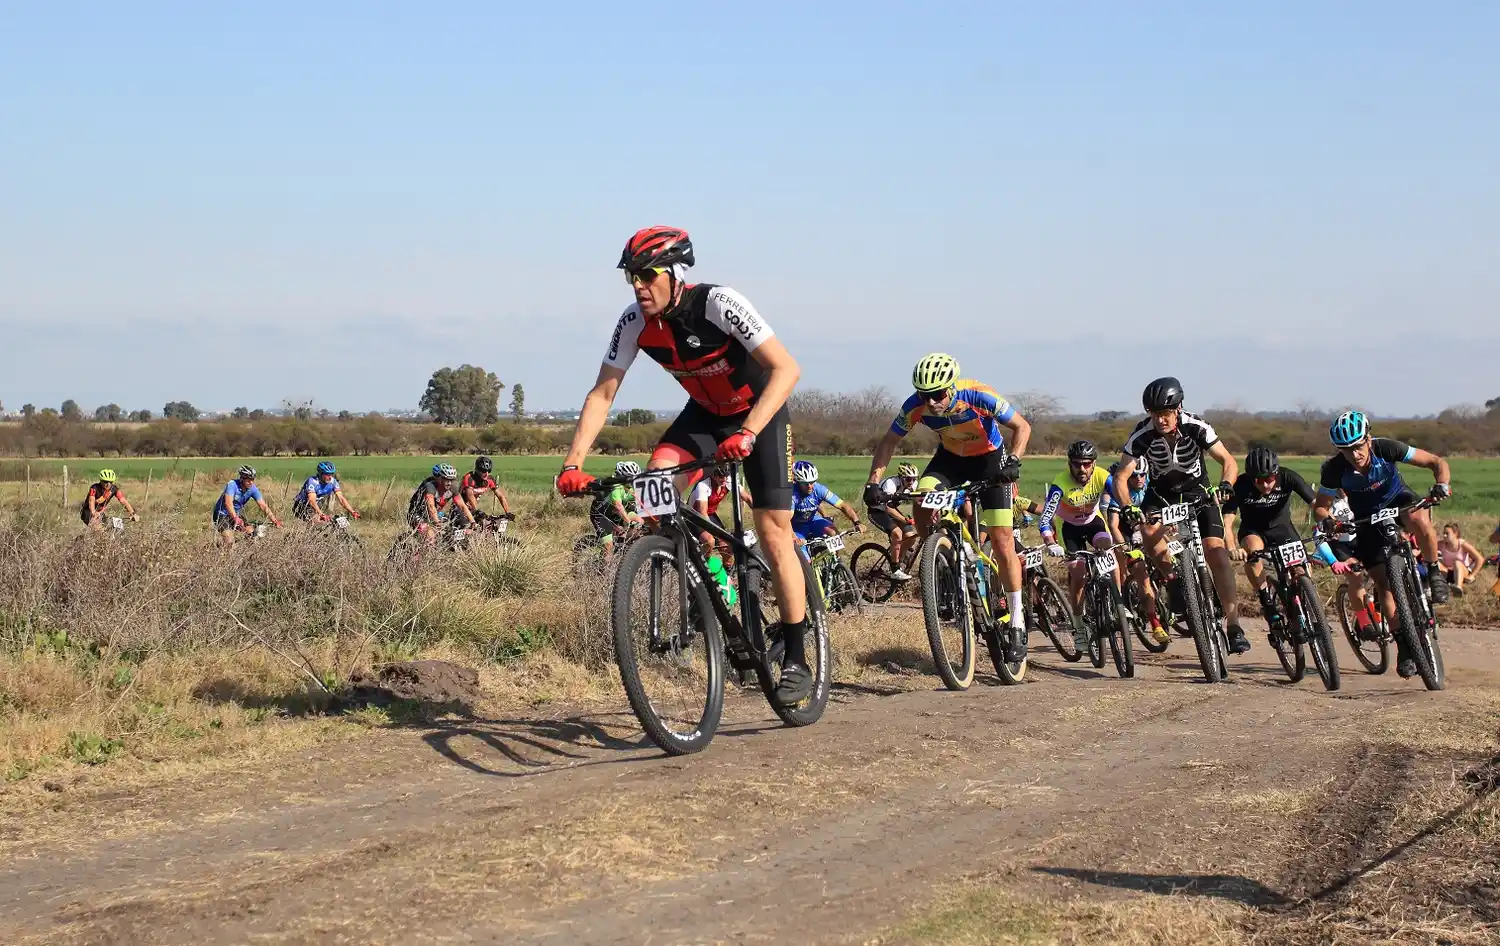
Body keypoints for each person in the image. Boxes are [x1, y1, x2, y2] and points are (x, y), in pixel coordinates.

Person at [554, 226, 814, 706]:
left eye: (646, 275)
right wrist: (573, 463)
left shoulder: (718, 303)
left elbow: (786, 369)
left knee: (774, 531)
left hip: (760, 413)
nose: (638, 285)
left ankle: (797, 654)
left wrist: (750, 431)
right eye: (631, 276)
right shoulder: (633, 322)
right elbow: (603, 393)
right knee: (657, 485)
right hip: (705, 419)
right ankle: (709, 588)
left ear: (674, 274)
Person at [866, 354, 1032, 655]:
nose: (931, 403)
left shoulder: (978, 395)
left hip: (990, 461)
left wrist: (1014, 462)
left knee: (1003, 539)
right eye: (924, 396)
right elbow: (888, 441)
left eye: (937, 395)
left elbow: (1022, 427)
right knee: (922, 497)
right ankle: (938, 553)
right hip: (951, 461)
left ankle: (1018, 620)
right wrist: (873, 482)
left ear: (951, 388)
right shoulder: (914, 406)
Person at [1112, 377, 1249, 654]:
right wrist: (1127, 505)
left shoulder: (1196, 426)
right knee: (1147, 532)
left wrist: (1225, 485)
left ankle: (1234, 626)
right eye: (1154, 414)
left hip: (1198, 492)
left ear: (1178, 408)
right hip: (1161, 495)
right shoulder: (1142, 434)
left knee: (1216, 552)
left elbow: (1229, 461)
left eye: (1165, 414)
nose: (1160, 420)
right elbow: (1121, 476)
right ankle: (1174, 580)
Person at [1311, 410, 1452, 678]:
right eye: (1345, 450)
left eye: (1357, 446)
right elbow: (1320, 507)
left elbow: (1436, 461)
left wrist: (1442, 484)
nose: (1354, 454)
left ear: (1368, 438)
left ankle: (1434, 573)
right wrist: (1327, 519)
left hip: (1398, 500)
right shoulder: (1334, 469)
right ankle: (1403, 646)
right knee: (1384, 584)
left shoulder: (1386, 448)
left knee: (1419, 518)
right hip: (1366, 519)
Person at [1222, 446, 1318, 644]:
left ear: (1276, 473)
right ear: (1251, 477)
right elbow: (1228, 521)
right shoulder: (1240, 485)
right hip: (1254, 531)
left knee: (1302, 571)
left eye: (1270, 479)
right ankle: (1266, 598)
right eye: (1259, 480)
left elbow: (1315, 503)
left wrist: (1329, 520)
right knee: (1253, 551)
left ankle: (1309, 608)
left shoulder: (1288, 477)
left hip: (1283, 530)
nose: (1266, 485)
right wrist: (1231, 546)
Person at [1038, 440, 1117, 652]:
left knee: (1106, 546)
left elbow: (1121, 497)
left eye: (1086, 464)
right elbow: (1045, 519)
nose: (1081, 468)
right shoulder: (1060, 484)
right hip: (1071, 529)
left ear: (1093, 464)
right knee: (1078, 574)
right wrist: (1050, 542)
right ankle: (1079, 625)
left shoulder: (1102, 476)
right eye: (1077, 464)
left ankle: (1114, 601)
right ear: (1069, 464)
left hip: (1094, 523)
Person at [1104, 462, 1169, 645]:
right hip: (1126, 533)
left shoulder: (1150, 485)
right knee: (1143, 576)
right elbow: (1113, 525)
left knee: (1166, 553)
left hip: (1144, 529)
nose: (1139, 479)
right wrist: (1125, 549)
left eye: (1142, 475)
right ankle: (1155, 624)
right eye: (1134, 476)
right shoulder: (1120, 492)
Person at [790, 460, 862, 554]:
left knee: (833, 533)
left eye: (812, 482)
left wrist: (857, 522)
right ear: (797, 482)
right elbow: (785, 520)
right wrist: (793, 537)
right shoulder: (792, 494)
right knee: (805, 561)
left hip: (812, 520)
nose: (809, 486)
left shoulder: (819, 489)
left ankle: (837, 562)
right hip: (796, 527)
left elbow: (842, 505)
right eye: (805, 483)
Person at [865, 462, 921, 580]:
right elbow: (888, 508)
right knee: (897, 533)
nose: (911, 482)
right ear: (901, 477)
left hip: (891, 509)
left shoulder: (913, 484)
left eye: (914, 479)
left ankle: (898, 562)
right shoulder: (890, 484)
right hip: (878, 510)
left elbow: (919, 501)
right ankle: (894, 570)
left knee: (911, 536)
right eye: (908, 479)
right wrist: (905, 519)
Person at [407, 463, 476, 545]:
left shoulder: (452, 488)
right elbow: (431, 506)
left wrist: (473, 522)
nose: (449, 483)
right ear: (439, 479)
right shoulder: (430, 487)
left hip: (435, 514)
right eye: (447, 480)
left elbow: (462, 506)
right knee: (431, 536)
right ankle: (425, 554)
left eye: (452, 480)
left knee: (455, 526)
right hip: (417, 514)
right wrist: (437, 523)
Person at [689, 464, 753, 552]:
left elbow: (748, 498)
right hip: (694, 516)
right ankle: (702, 563)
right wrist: (716, 535)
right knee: (710, 541)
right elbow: (703, 514)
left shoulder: (728, 481)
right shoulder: (703, 486)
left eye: (726, 476)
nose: (724, 479)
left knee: (728, 546)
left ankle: (726, 566)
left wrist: (762, 513)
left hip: (710, 515)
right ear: (713, 475)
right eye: (720, 476)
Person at [213, 466, 283, 546]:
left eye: (252, 480)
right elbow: (228, 503)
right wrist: (235, 518)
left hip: (236, 514)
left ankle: (245, 552)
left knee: (252, 534)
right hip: (221, 515)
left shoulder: (252, 489)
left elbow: (263, 505)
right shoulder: (232, 485)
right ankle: (223, 554)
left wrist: (275, 521)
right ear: (242, 479)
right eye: (248, 480)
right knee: (229, 541)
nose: (251, 482)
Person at [590, 460, 646, 551]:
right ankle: (605, 564)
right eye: (630, 478)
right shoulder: (615, 487)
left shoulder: (631, 487)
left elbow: (641, 501)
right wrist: (628, 522)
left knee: (639, 521)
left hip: (616, 514)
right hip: (601, 516)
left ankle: (623, 547)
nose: (633, 480)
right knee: (608, 547)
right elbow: (618, 506)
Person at [292, 461, 360, 522]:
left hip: (316, 505)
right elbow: (311, 500)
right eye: (327, 474)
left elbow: (341, 498)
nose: (330, 477)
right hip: (301, 506)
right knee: (317, 521)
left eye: (331, 474)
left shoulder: (333, 481)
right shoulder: (312, 481)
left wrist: (352, 512)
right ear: (321, 474)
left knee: (332, 522)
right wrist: (321, 514)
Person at [459, 456, 513, 522]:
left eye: (488, 471)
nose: (486, 474)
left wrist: (507, 512)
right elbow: (470, 496)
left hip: (472, 509)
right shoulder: (469, 478)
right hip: (460, 508)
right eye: (484, 471)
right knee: (469, 528)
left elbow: (500, 496)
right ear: (477, 470)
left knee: (490, 525)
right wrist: (477, 511)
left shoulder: (489, 479)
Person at [1436, 523, 1483, 596]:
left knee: (1457, 562)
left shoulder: (1462, 544)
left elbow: (1480, 559)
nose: (1444, 535)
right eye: (1443, 533)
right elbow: (1428, 549)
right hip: (1448, 572)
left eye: (1447, 533)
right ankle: (1441, 585)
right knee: (1438, 562)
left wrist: (1472, 575)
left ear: (1455, 534)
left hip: (1462, 572)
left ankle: (1458, 587)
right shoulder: (1441, 544)